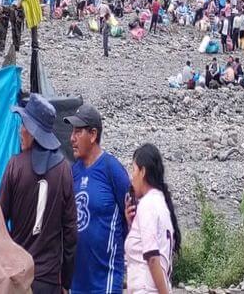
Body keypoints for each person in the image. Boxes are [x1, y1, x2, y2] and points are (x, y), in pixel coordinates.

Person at [0, 95, 77, 294]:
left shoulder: (15, 166)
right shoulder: (63, 170)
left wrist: (11, 260)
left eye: (23, 125)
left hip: (20, 278)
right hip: (50, 280)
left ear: (32, 132)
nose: (20, 130)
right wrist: (66, 281)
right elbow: (70, 233)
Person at [64, 105, 131, 294]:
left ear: (93, 135)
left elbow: (132, 219)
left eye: (78, 132)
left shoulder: (112, 170)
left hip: (105, 279)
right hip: (77, 280)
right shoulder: (72, 173)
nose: (72, 138)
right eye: (72, 132)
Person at [125, 144, 180, 294]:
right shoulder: (160, 203)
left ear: (142, 172)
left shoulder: (148, 205)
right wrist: (132, 225)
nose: (132, 176)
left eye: (133, 169)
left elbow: (152, 256)